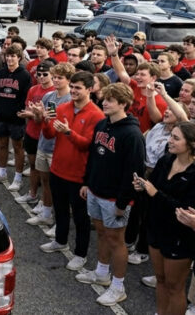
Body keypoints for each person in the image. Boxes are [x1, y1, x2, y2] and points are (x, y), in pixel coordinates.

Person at [75, 83, 144, 305]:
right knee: (102, 234)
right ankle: (101, 272)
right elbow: (94, 157)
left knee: (116, 240)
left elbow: (134, 172)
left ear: (123, 103)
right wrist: (87, 182)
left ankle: (118, 286)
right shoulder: (102, 124)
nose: (104, 103)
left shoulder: (132, 134)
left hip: (114, 198)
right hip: (96, 190)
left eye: (110, 100)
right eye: (104, 99)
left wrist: (122, 202)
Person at [39, 71, 105, 267]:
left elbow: (88, 145)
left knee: (80, 217)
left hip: (79, 174)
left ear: (90, 89)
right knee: (60, 210)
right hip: (58, 169)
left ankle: (80, 254)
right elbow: (49, 135)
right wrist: (44, 121)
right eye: (73, 87)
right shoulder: (61, 107)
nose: (74, 91)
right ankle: (60, 241)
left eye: (78, 88)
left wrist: (69, 132)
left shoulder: (97, 115)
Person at [134, 122, 195, 315]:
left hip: (179, 237)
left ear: (191, 144)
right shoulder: (166, 160)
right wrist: (142, 187)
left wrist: (155, 194)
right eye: (171, 136)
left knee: (174, 286)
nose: (170, 141)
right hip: (155, 228)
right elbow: (151, 187)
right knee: (160, 279)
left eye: (176, 138)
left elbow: (185, 210)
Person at [22, 63, 76, 236]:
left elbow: (67, 128)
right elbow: (42, 122)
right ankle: (46, 214)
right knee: (45, 182)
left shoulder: (70, 100)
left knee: (60, 189)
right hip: (43, 144)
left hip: (58, 149)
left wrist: (46, 119)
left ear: (69, 80)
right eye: (55, 77)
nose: (56, 80)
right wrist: (38, 114)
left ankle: (60, 224)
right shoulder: (49, 96)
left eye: (60, 78)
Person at [0, 45, 31, 187]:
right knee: (2, 145)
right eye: (8, 56)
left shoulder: (24, 75)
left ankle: (18, 178)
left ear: (19, 57)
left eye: (13, 56)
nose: (10, 58)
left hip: (16, 117)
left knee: (18, 147)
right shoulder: (1, 73)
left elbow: (25, 96)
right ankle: (2, 172)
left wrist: (18, 111)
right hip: (1, 116)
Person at [106, 35, 167, 133]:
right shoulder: (134, 86)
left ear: (153, 77)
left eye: (142, 75)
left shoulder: (160, 101)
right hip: (122, 131)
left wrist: (150, 97)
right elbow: (121, 72)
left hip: (138, 137)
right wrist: (114, 54)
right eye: (137, 74)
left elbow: (157, 121)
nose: (138, 77)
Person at [15, 61, 55, 195]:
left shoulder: (54, 93)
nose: (41, 77)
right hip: (31, 132)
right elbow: (27, 108)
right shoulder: (33, 89)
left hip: (45, 136)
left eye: (45, 74)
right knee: (33, 166)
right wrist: (31, 113)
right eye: (39, 74)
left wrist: (33, 114)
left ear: (52, 75)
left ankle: (44, 201)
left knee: (45, 173)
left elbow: (51, 117)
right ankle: (32, 194)